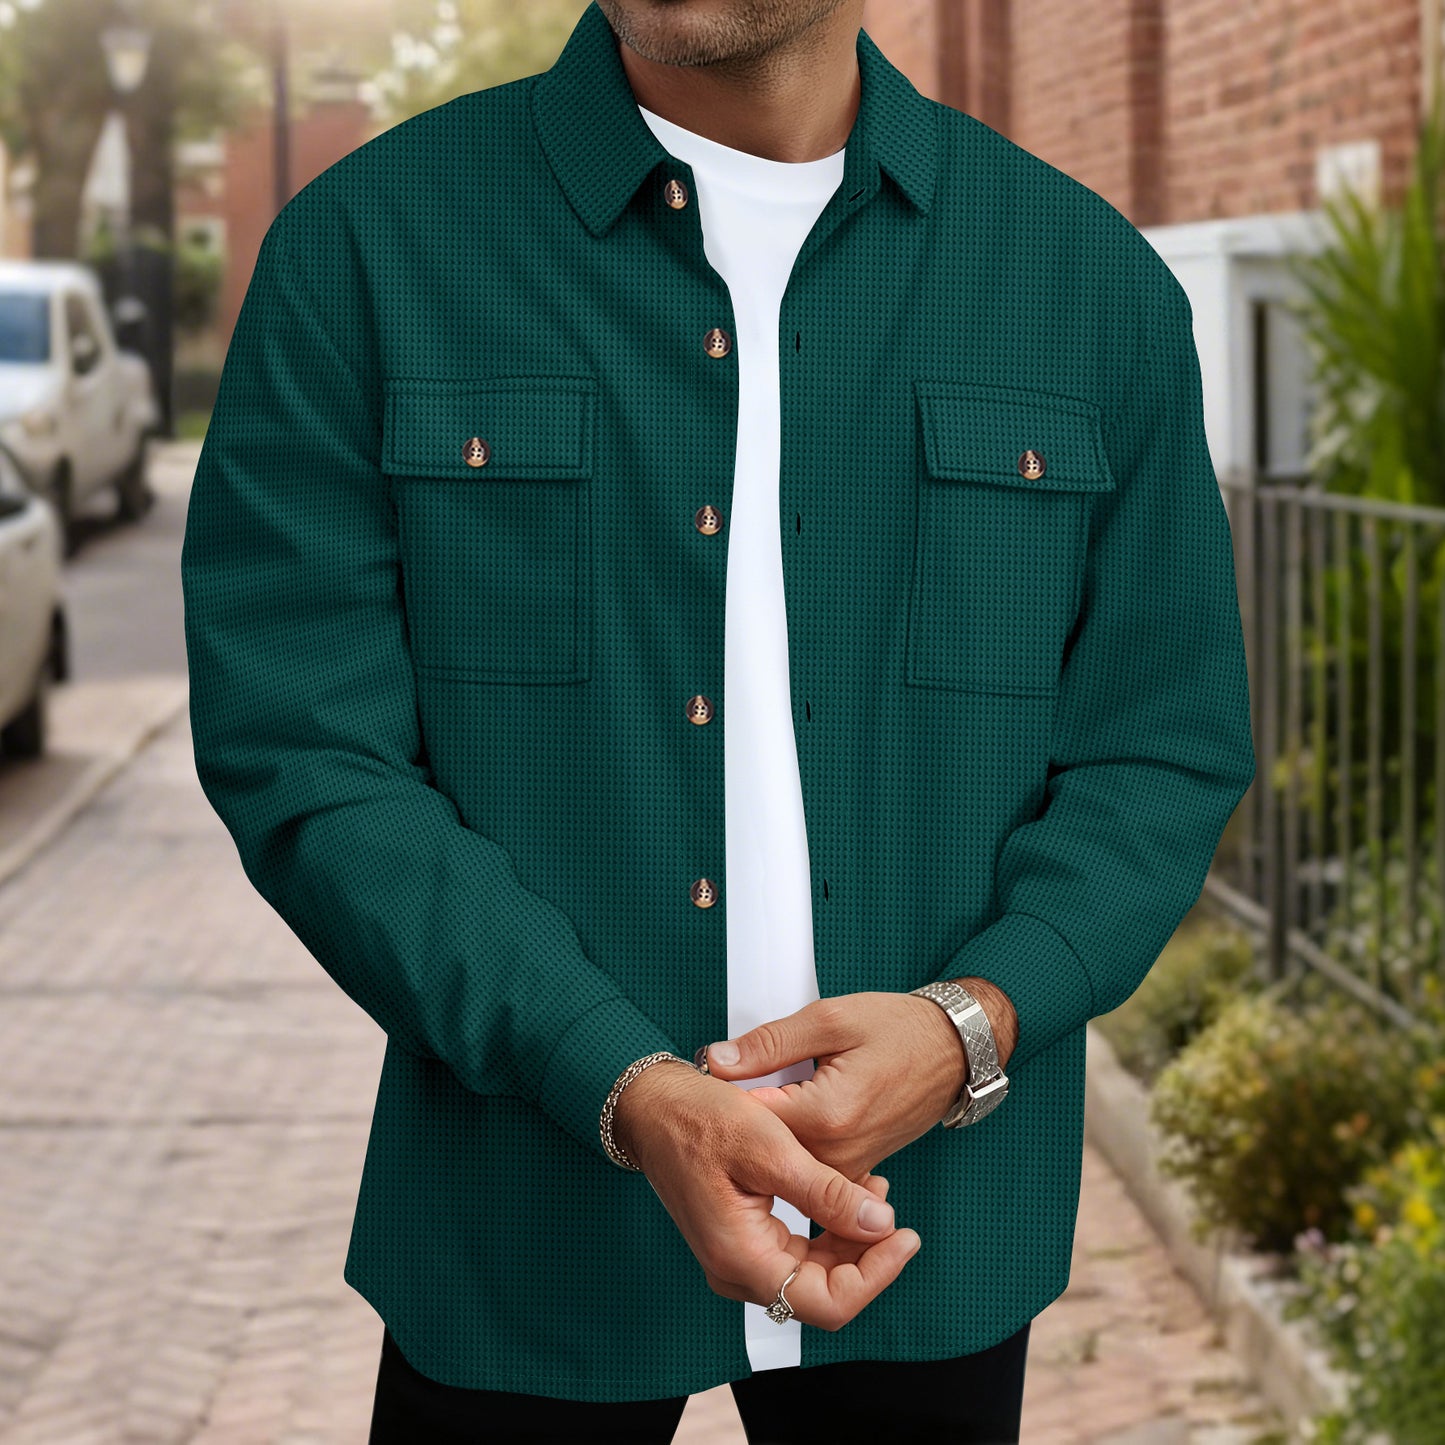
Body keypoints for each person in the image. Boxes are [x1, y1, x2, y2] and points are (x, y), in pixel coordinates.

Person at [179, 0, 1256, 1440]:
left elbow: (1155, 748)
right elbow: (310, 755)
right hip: (523, 1225)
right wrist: (617, 1079)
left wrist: (965, 1028)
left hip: (922, 1229)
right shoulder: (366, 251)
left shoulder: (1086, 286)